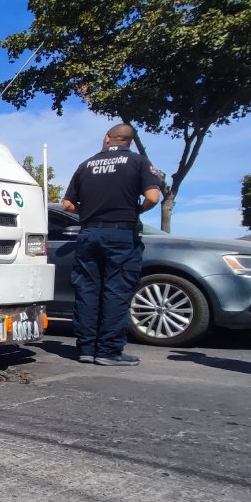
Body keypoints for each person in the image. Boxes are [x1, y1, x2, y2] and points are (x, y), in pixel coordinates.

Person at [62, 123, 162, 366]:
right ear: (129, 141)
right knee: (116, 291)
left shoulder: (85, 165)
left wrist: (89, 211)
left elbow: (67, 204)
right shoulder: (139, 162)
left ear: (107, 139)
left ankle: (86, 349)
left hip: (89, 233)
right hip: (121, 235)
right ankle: (108, 351)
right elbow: (152, 197)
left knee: (87, 290)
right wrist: (136, 210)